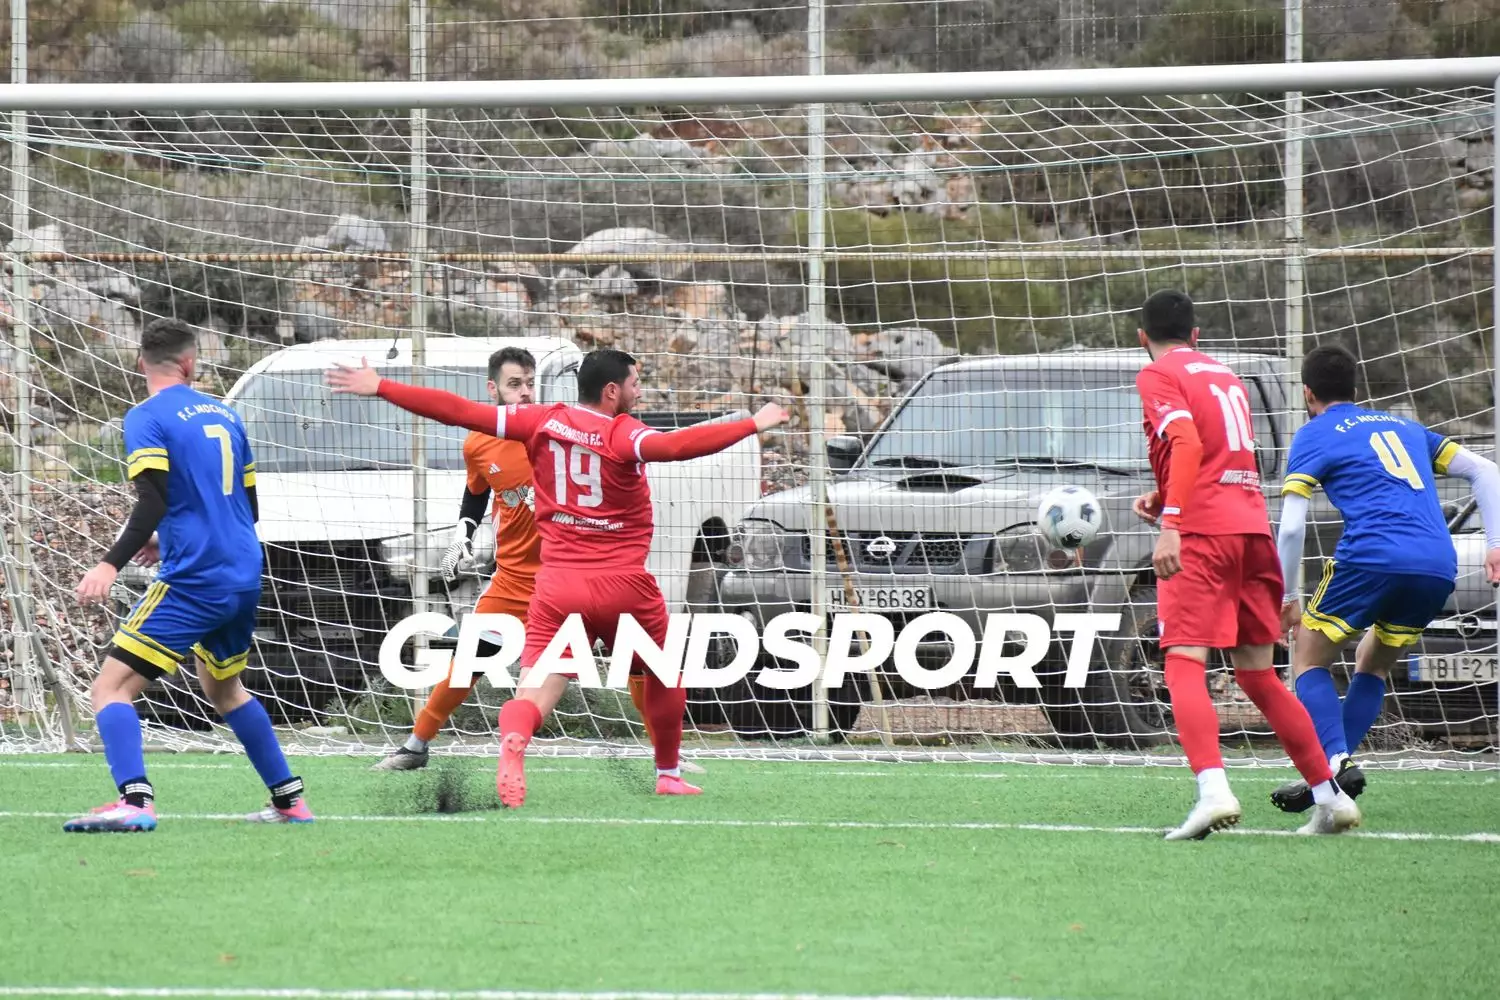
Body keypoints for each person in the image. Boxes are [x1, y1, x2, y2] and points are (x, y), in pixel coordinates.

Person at [327, 348, 788, 806]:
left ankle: (517, 739)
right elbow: (675, 447)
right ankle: (666, 769)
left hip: (557, 585)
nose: (640, 390)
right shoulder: (617, 433)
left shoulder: (540, 422)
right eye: (635, 383)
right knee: (657, 670)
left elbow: (456, 410)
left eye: (529, 382)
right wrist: (752, 424)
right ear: (612, 391)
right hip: (599, 582)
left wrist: (381, 386)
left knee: (540, 686)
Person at [372, 347, 676, 770]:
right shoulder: (480, 443)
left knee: (637, 663)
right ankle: (416, 745)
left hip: (571, 579)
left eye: (531, 383)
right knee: (470, 659)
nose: (525, 392)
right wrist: (463, 533)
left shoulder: (552, 431)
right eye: (515, 384)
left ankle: (667, 754)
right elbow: (476, 493)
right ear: (492, 389)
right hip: (515, 580)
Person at [64, 318, 312, 832]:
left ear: (141, 363)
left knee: (109, 689)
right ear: (190, 363)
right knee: (225, 689)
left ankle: (135, 803)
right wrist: (169, 539)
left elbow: (152, 501)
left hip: (195, 578)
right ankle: (290, 801)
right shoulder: (226, 413)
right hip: (242, 571)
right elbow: (247, 506)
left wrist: (110, 563)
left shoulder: (146, 417)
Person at [1130, 289, 1358, 839]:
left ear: (1142, 338)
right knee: (1258, 675)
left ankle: (1213, 791)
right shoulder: (1227, 376)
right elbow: (1222, 454)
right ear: (1196, 335)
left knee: (1183, 661)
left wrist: (1172, 521)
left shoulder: (1158, 373)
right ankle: (1330, 795)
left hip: (1203, 536)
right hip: (1253, 530)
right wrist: (1166, 495)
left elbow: (1186, 443)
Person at [1270, 343, 1500, 812]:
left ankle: (1332, 765)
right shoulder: (1405, 427)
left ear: (1308, 393)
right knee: (1372, 663)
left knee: (1308, 658)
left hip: (1371, 557)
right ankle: (1335, 772)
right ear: (1354, 388)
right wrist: (1496, 543)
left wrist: (1287, 594)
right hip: (1437, 563)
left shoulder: (1315, 433)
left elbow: (1291, 527)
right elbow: (1485, 469)